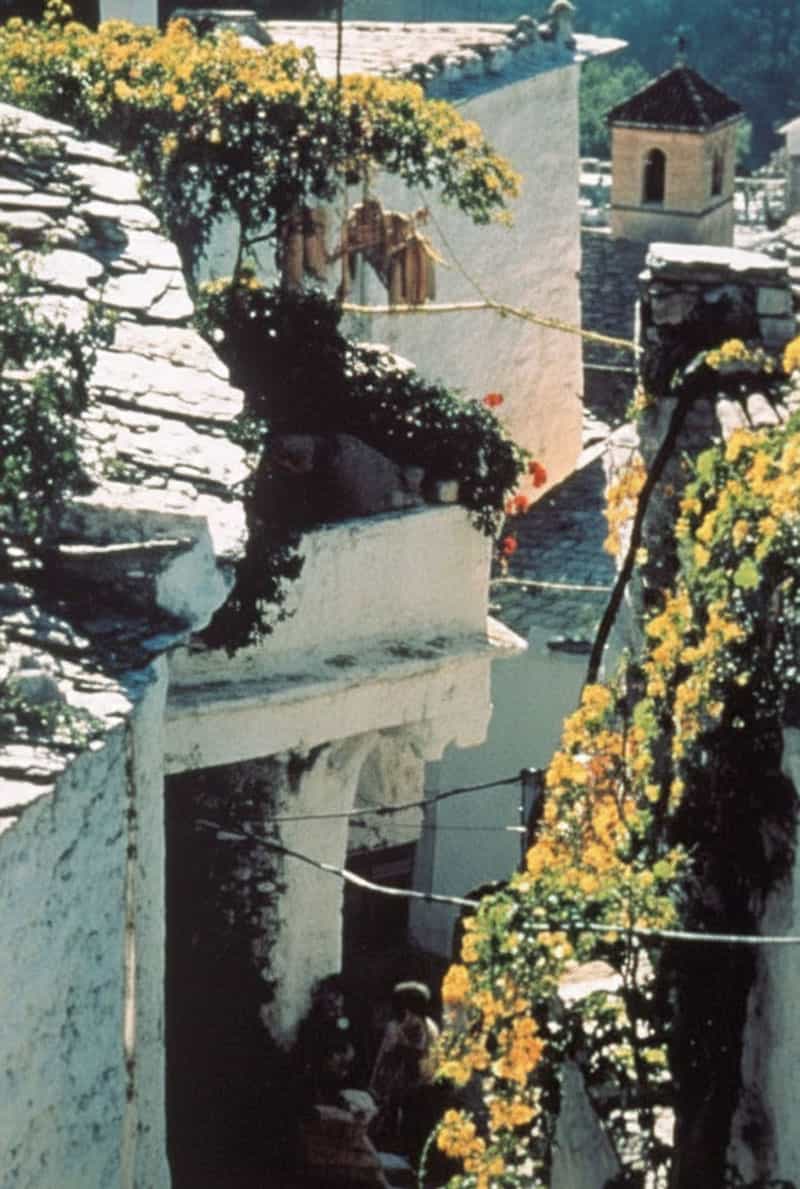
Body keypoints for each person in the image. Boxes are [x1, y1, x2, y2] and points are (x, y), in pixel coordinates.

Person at [368, 981, 441, 1166]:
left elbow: (388, 1059)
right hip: (421, 1089)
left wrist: (377, 1086)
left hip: (408, 1091)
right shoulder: (430, 1025)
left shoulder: (404, 1027)